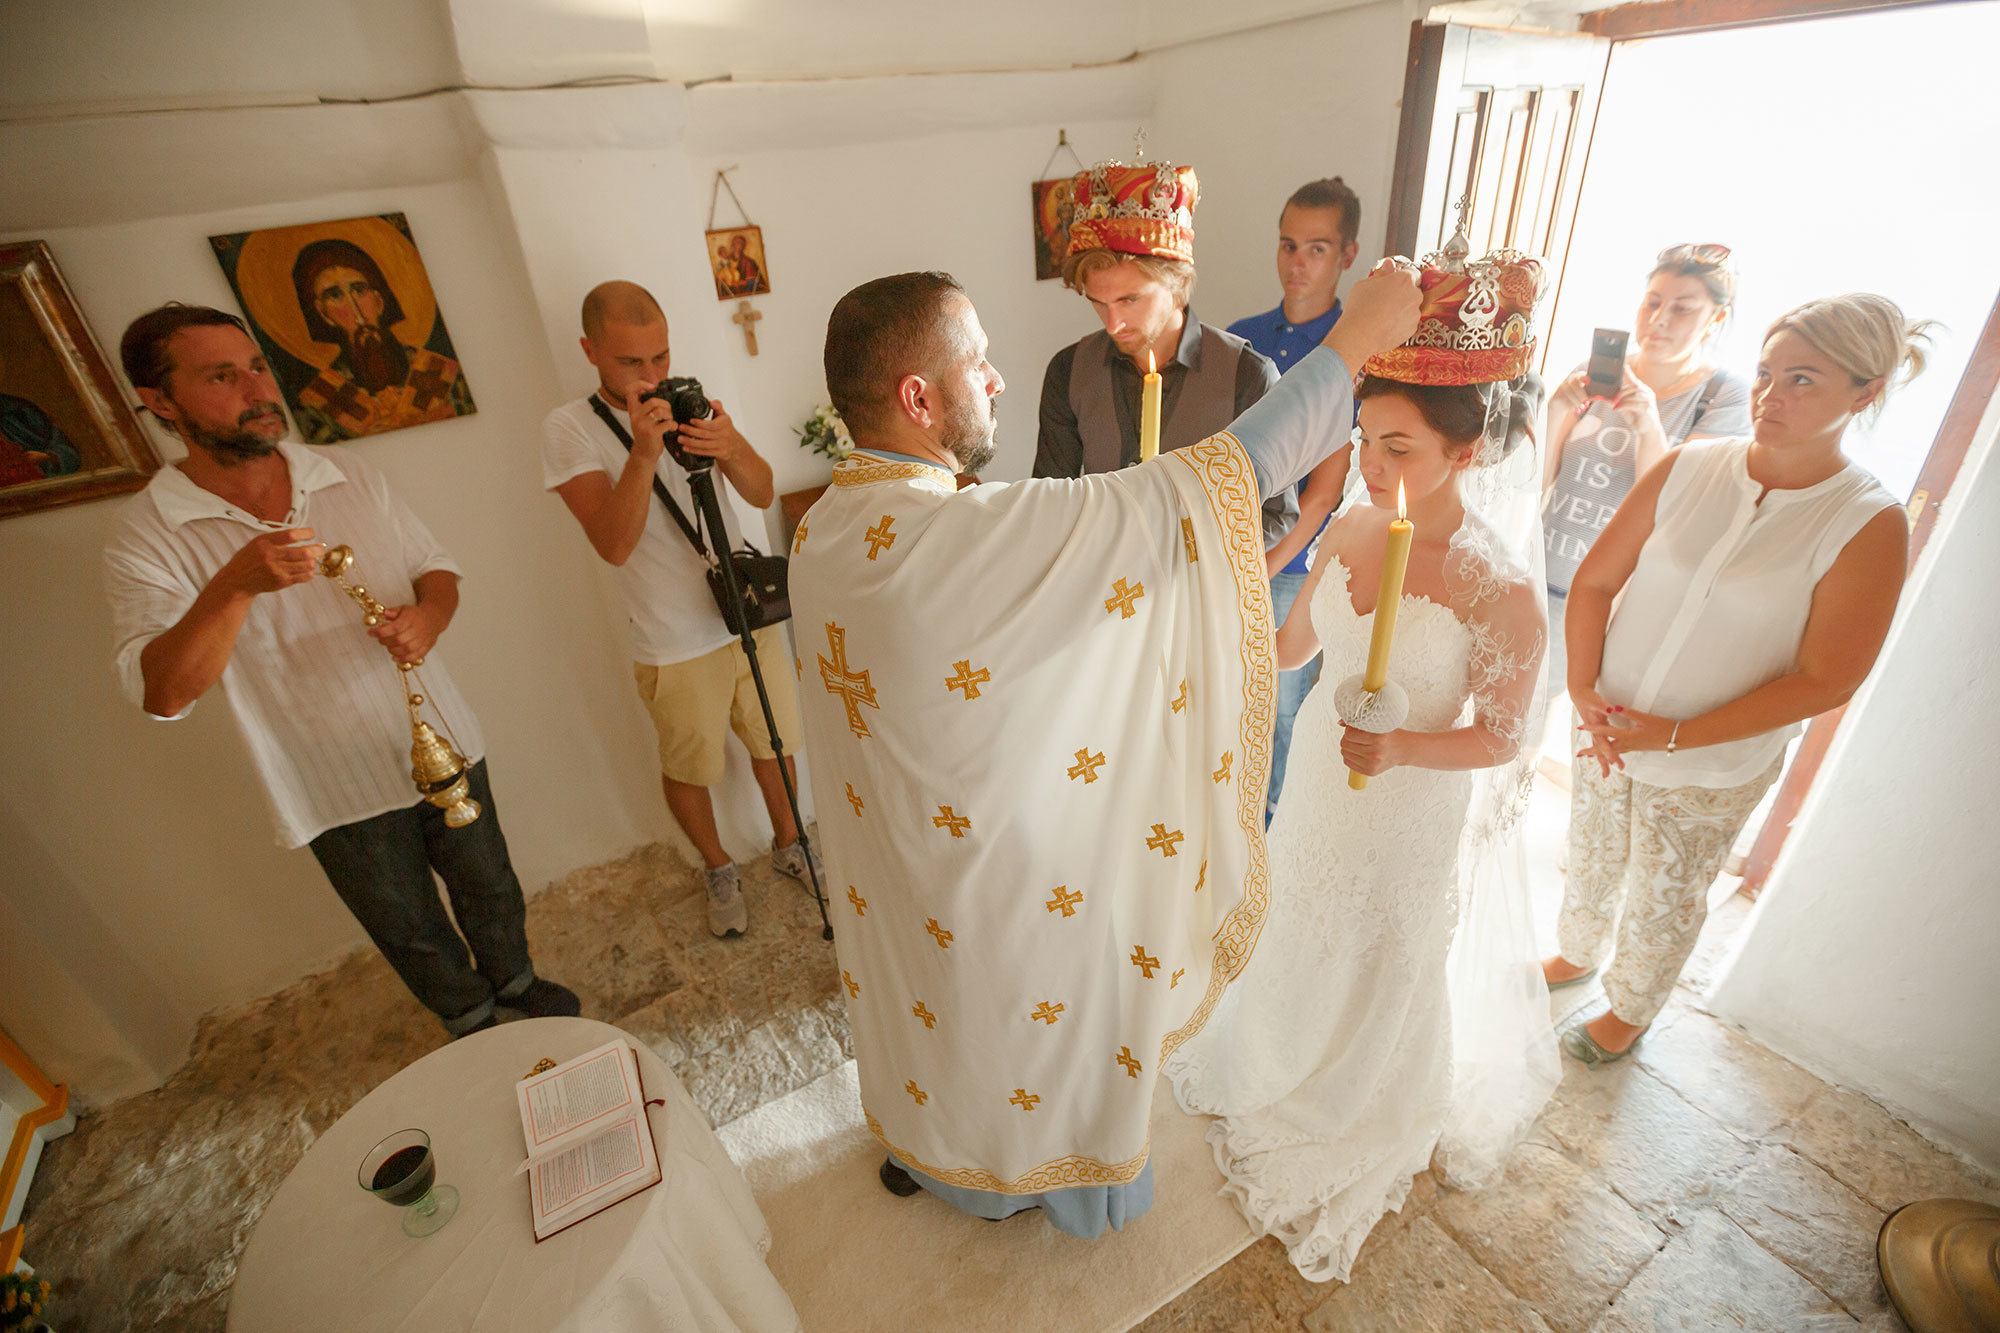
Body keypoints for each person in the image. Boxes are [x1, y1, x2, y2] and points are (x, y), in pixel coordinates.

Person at [792, 263, 1422, 1237]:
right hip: (987, 870)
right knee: (1045, 983)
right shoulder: (963, 536)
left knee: (925, 997)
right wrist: (1355, 341)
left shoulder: (824, 528)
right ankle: (1041, 1173)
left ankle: (929, 1147)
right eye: (977, 361)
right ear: (918, 398)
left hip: (893, 859)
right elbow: (1221, 477)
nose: (998, 378)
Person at [1168, 231, 1559, 1282]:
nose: (1372, 469)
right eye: (1365, 440)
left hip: (1405, 805)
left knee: (1375, 942)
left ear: (1464, 453)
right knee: (1299, 911)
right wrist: (1226, 628)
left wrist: (1403, 744)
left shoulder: (1499, 590)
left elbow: (1504, 735)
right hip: (1321, 790)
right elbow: (1297, 649)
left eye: (1399, 450)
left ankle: (1358, 1092)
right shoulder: (1347, 528)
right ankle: (1275, 1046)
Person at [103, 304, 577, 1038]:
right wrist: (232, 585)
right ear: (160, 401)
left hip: (439, 735)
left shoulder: (345, 473)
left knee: (491, 883)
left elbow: (434, 567)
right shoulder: (148, 532)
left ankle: (516, 980)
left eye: (257, 366)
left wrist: (430, 617)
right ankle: (472, 1020)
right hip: (327, 778)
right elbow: (162, 694)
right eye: (221, 376)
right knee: (407, 924)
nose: (257, 389)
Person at [1544, 293, 1928, 1063]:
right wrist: (1584, 690)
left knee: (1665, 892)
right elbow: (1594, 582)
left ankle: (1630, 1010)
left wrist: (1674, 734)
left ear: (1866, 393)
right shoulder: (1688, 465)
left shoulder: (1867, 520)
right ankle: (1575, 951)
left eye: (1802, 380)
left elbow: (1828, 678)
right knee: (1589, 853)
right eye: (1765, 373)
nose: (1769, 395)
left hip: (1713, 759)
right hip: (1606, 723)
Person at [543, 281, 814, 938]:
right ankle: (718, 866)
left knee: (776, 740)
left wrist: (729, 445)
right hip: (671, 639)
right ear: (590, 351)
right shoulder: (568, 429)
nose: (651, 374)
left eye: (660, 356)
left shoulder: (689, 399)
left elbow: (762, 492)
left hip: (744, 615)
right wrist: (642, 453)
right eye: (630, 361)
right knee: (691, 767)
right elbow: (613, 544)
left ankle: (790, 844)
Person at [1034, 163, 1298, 555]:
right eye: (1098, 303)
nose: (1113, 323)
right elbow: (1050, 500)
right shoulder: (1068, 371)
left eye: (1130, 299)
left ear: (1177, 284)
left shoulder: (1247, 375)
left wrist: (1186, 557)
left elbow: (1275, 514)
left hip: (1197, 586)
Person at [1541, 244, 1750, 699]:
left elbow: (1681, 509)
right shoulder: (1594, 372)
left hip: (1614, 605)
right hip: (1542, 576)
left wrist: (1649, 426)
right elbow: (1535, 484)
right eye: (1652, 302)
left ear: (1716, 319)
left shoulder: (1723, 397)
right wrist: (1555, 411)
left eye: (1682, 308)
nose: (1659, 319)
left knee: (1561, 713)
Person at [1228, 176, 1365, 821]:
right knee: (1226, 694)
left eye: (1317, 248)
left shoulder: (1356, 350)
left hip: (1299, 563)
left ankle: (1270, 832)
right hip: (1236, 548)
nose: (1298, 264)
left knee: (1283, 708)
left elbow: (1325, 493)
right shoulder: (1241, 339)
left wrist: (1266, 565)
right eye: (1288, 245)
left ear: (1347, 255)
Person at [289, 239, 474, 442]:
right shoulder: (317, 403)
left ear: (378, 301)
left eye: (360, 290)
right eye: (335, 296)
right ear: (324, 313)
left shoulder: (443, 373)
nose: (358, 314)